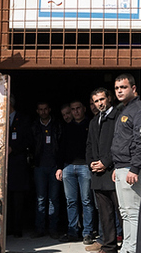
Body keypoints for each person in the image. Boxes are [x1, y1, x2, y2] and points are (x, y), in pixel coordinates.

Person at [109, 73, 141, 253]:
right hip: (122, 167)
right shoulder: (125, 110)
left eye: (123, 87)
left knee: (134, 213)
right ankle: (126, 250)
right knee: (125, 212)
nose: (119, 90)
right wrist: (117, 167)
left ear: (134, 89)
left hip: (131, 167)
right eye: (117, 88)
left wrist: (134, 167)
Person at [84, 88, 119, 253]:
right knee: (105, 214)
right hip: (97, 174)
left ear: (109, 98)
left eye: (102, 99)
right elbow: (89, 145)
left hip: (113, 172)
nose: (99, 103)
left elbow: (120, 143)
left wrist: (106, 162)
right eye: (96, 101)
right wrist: (91, 163)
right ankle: (109, 247)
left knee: (122, 213)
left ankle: (128, 249)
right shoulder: (94, 121)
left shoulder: (118, 116)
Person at [56, 100, 96, 244]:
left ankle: (87, 232)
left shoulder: (90, 125)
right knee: (71, 201)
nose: (76, 111)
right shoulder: (67, 127)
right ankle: (72, 231)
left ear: (84, 109)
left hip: (85, 166)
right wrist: (59, 167)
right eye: (73, 109)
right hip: (68, 167)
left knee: (86, 201)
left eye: (78, 108)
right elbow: (61, 148)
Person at [32, 101, 63, 238]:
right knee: (40, 198)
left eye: (45, 109)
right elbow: (30, 144)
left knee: (54, 198)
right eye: (40, 109)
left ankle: (53, 228)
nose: (43, 112)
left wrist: (60, 165)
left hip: (54, 166)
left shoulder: (57, 125)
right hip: (39, 166)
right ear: (37, 111)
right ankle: (39, 228)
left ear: (49, 110)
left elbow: (61, 145)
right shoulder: (34, 126)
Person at [6, 98, 34, 237]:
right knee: (6, 198)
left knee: (18, 198)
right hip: (4, 165)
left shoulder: (23, 119)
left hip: (18, 164)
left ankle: (17, 228)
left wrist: (13, 148)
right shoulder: (0, 118)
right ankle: (7, 227)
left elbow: (28, 140)